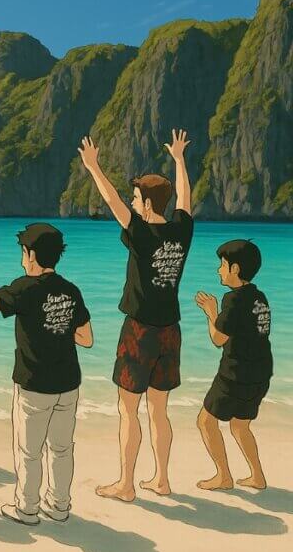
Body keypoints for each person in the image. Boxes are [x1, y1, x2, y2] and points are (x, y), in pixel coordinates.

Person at [79, 129, 194, 502]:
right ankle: (161, 479)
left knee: (128, 410)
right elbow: (185, 200)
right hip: (170, 332)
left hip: (140, 331)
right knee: (159, 410)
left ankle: (127, 484)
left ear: (145, 203)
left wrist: (93, 168)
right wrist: (179, 160)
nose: (131, 200)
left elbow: (112, 202)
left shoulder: (142, 234)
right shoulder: (181, 231)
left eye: (136, 197)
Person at [0, 224, 94, 525]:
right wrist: (58, 327)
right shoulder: (70, 289)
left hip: (34, 382)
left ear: (32, 254)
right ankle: (60, 505)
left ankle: (27, 509)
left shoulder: (25, 287)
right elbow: (86, 338)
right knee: (62, 448)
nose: (23, 259)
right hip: (68, 382)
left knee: (29, 451)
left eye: (23, 253)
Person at [193, 240, 272, 491]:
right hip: (260, 373)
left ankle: (223, 476)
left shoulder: (233, 299)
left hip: (235, 374)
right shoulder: (260, 297)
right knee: (240, 424)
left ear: (235, 269)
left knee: (205, 421)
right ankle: (257, 476)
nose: (219, 270)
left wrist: (211, 311)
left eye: (222, 265)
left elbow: (218, 338)